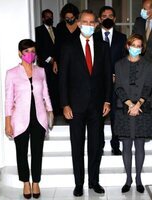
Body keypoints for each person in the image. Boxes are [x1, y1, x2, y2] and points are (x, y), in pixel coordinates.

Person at [59, 9, 112, 196]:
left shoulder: (103, 46)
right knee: (77, 146)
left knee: (96, 146)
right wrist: (65, 104)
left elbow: (107, 76)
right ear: (79, 23)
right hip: (75, 106)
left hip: (98, 106)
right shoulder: (67, 46)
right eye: (85, 22)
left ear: (96, 24)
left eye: (92, 23)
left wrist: (107, 100)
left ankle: (94, 181)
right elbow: (63, 78)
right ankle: (79, 183)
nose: (88, 25)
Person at [5, 39, 53, 199]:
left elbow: (45, 93)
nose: (29, 54)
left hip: (39, 118)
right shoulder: (11, 73)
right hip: (19, 119)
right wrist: (7, 123)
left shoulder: (40, 71)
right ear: (20, 53)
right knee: (21, 152)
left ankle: (36, 182)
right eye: (26, 52)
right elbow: (8, 100)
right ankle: (25, 182)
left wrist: (50, 111)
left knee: (37, 152)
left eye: (32, 51)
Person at [114, 34, 152, 194]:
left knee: (140, 145)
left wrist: (138, 104)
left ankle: (138, 179)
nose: (136, 48)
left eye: (139, 46)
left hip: (142, 109)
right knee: (127, 146)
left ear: (142, 48)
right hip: (124, 109)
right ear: (128, 46)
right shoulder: (119, 64)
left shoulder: (149, 65)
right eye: (133, 45)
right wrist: (130, 104)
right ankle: (128, 179)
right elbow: (119, 87)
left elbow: (149, 86)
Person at [94, 6, 127, 155]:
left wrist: (117, 75)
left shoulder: (122, 38)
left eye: (110, 15)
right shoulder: (93, 38)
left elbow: (124, 60)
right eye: (104, 15)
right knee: (98, 116)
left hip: (116, 83)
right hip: (98, 84)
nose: (107, 18)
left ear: (114, 19)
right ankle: (99, 145)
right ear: (100, 19)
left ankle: (115, 144)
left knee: (116, 115)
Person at [35, 9, 60, 116]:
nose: (49, 18)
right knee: (47, 88)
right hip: (45, 65)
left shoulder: (56, 30)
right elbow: (39, 48)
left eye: (51, 16)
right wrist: (51, 60)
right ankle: (47, 111)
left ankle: (57, 110)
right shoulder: (38, 31)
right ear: (43, 18)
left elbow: (59, 46)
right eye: (47, 16)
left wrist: (57, 60)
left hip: (57, 64)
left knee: (57, 88)